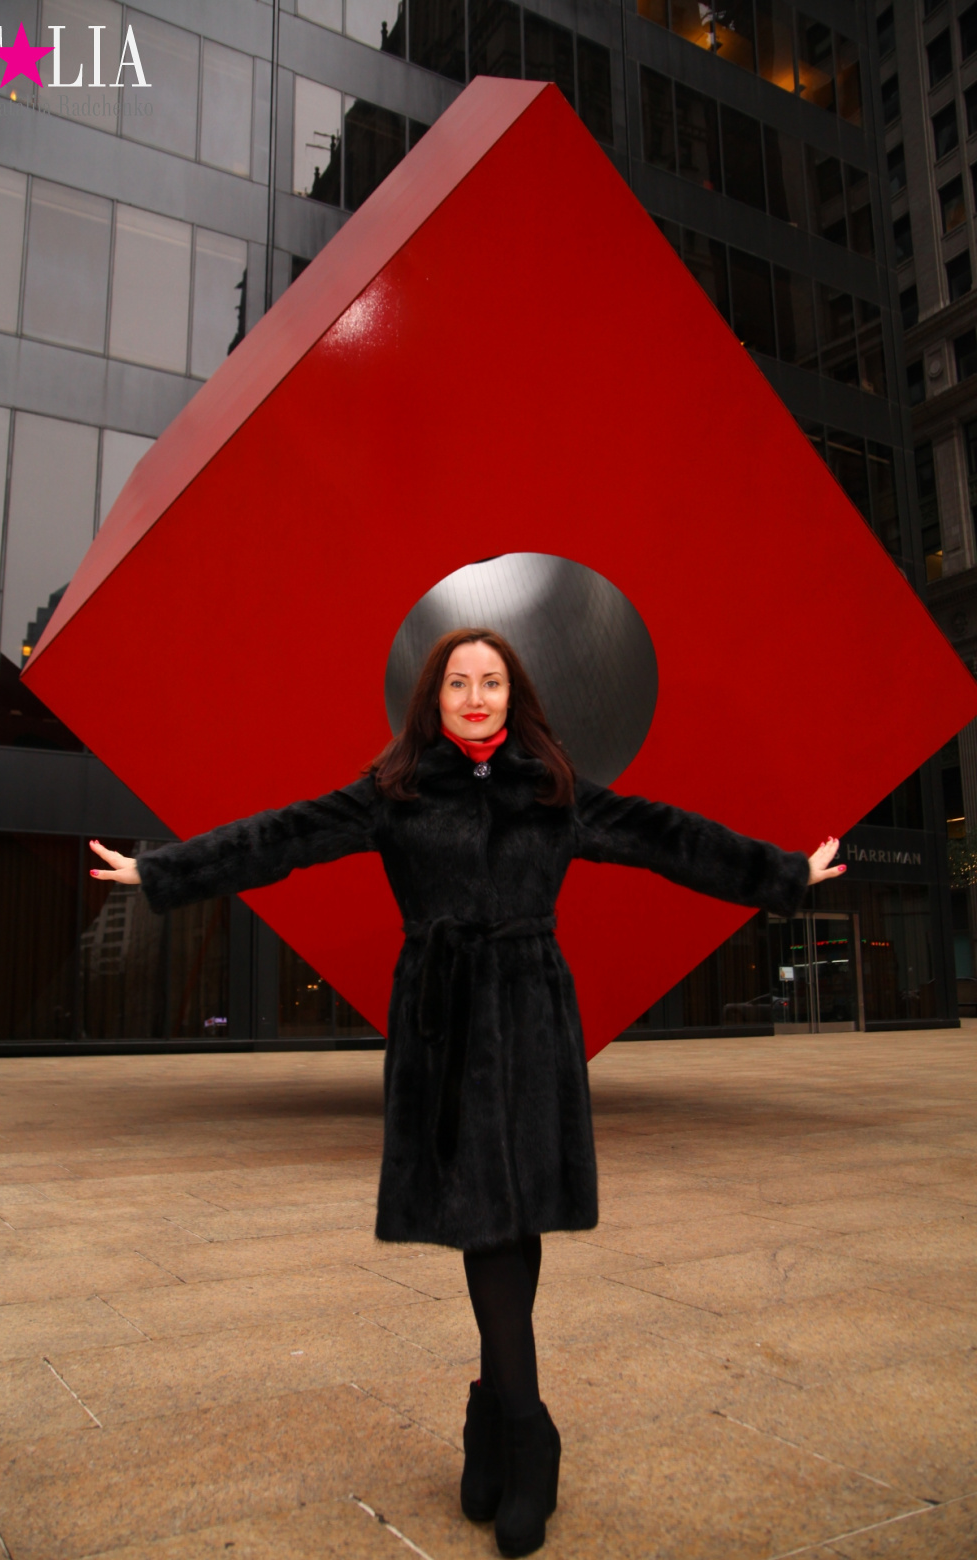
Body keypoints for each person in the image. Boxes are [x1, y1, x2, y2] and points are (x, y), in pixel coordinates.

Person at [90, 626, 844, 1559]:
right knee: (486, 1221)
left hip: (531, 1022)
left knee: (508, 1220)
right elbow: (281, 837)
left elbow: (665, 836)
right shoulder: (395, 794)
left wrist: (783, 875)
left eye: (491, 681)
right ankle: (521, 1428)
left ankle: (505, 1425)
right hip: (442, 1029)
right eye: (459, 683)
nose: (476, 696)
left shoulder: (552, 791)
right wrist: (163, 873)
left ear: (513, 694)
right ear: (434, 700)